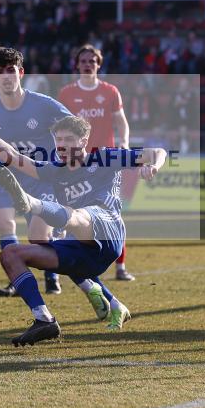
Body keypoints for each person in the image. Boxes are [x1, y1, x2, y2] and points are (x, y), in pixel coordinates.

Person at [0, 104, 164, 345]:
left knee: (78, 214)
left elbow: (157, 152)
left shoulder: (105, 157)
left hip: (108, 231)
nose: (62, 144)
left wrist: (153, 167)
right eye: (58, 140)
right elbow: (13, 156)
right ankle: (44, 319)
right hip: (82, 248)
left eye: (68, 139)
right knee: (11, 253)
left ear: (84, 140)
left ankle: (33, 204)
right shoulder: (55, 170)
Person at [0, 47, 71, 297]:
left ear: (21, 72)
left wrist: (71, 156)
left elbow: (76, 126)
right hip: (2, 176)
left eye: (11, 70)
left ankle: (52, 278)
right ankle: (18, 280)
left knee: (39, 236)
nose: (6, 76)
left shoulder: (43, 104)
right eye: (0, 71)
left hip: (37, 177)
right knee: (4, 223)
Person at [57, 44, 135, 282]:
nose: (88, 64)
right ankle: (58, 267)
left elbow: (121, 122)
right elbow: (59, 128)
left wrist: (124, 144)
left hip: (105, 161)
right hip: (76, 161)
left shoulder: (110, 91)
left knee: (114, 214)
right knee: (67, 213)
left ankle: (120, 267)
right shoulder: (66, 94)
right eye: (84, 61)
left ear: (98, 64)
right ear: (77, 64)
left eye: (92, 61)